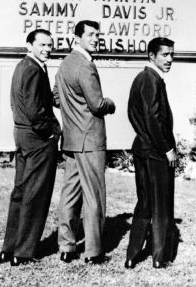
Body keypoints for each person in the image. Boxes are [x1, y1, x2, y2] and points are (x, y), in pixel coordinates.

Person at [53, 20, 116, 264]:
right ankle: (93, 251)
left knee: (69, 195)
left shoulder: (64, 65)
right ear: (77, 38)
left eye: (97, 34)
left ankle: (66, 246)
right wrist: (110, 103)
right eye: (90, 34)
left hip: (71, 140)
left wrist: (72, 111)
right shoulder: (86, 65)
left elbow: (56, 97)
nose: (95, 38)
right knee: (94, 196)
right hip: (90, 140)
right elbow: (97, 104)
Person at [0, 29, 60, 266]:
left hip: (22, 136)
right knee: (36, 195)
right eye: (42, 45)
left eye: (50, 45)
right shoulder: (34, 70)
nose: (47, 49)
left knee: (20, 193)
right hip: (37, 139)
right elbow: (36, 112)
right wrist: (52, 134)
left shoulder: (21, 67)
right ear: (29, 45)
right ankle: (22, 253)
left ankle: (9, 249)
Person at [125, 37, 177, 270]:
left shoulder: (140, 79)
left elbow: (132, 113)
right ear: (152, 56)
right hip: (155, 152)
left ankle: (132, 255)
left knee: (144, 203)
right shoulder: (151, 79)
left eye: (171, 54)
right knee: (161, 205)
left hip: (142, 149)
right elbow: (153, 118)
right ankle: (159, 256)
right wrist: (167, 148)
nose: (169, 59)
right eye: (165, 55)